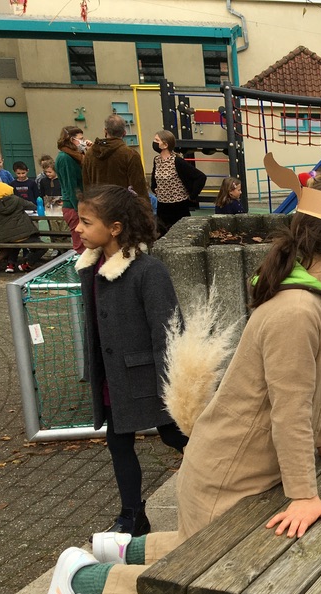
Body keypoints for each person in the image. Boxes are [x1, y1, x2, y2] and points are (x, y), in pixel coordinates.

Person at [39, 177, 321, 594]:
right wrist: (304, 495)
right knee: (213, 591)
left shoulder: (318, 299)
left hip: (238, 468)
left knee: (199, 548)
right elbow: (291, 411)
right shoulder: (297, 311)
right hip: (227, 475)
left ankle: (121, 549)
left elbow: (317, 385)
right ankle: (81, 581)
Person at [70, 185, 190, 538]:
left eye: (86, 222)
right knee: (118, 443)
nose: (78, 228)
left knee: (176, 435)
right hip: (115, 379)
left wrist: (171, 386)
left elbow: (169, 331)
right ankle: (132, 514)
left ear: (115, 228)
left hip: (149, 378)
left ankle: (223, 478)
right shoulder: (92, 267)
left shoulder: (148, 271)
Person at [150, 129, 207, 234]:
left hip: (178, 206)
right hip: (162, 205)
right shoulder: (157, 160)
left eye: (157, 140)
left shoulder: (177, 161)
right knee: (163, 233)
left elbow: (200, 177)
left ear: (165, 145)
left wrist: (192, 196)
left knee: (181, 233)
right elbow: (154, 177)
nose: (154, 142)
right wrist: (154, 188)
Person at [82, 114, 148, 197]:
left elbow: (86, 184)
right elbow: (138, 187)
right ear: (124, 133)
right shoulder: (130, 154)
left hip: (97, 202)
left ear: (105, 131)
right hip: (122, 203)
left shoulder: (90, 153)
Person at [0, 181, 44, 272]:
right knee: (42, 247)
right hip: (24, 233)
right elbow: (32, 206)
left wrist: (0, 232)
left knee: (13, 243)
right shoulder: (16, 200)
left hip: (7, 236)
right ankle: (27, 263)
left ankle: (10, 265)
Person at [55, 125, 89, 252]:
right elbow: (71, 186)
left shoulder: (76, 156)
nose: (82, 142)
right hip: (73, 206)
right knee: (81, 245)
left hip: (80, 204)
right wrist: (80, 209)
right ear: (71, 139)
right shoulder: (65, 158)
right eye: (80, 139)